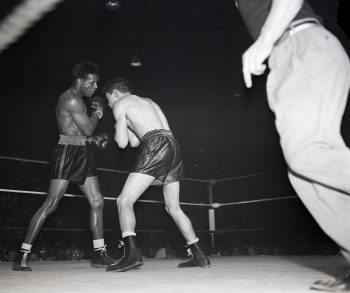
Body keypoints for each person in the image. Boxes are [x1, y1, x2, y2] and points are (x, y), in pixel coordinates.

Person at [235, 0, 350, 291]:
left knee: (308, 155)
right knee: (305, 176)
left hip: (300, 44)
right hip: (285, 56)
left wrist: (264, 41)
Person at [12, 61, 115, 271]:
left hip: (82, 152)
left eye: (96, 83)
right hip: (67, 153)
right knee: (51, 203)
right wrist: (97, 112)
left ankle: (98, 254)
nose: (95, 87)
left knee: (97, 201)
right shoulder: (71, 100)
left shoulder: (79, 100)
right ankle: (22, 254)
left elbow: (82, 134)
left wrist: (91, 128)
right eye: (92, 83)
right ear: (79, 80)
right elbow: (87, 130)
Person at [103, 77, 210, 272]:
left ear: (116, 93)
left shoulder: (120, 104)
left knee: (123, 201)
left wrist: (116, 126)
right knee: (173, 207)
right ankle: (199, 255)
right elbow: (136, 141)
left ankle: (132, 255)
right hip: (172, 145)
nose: (109, 103)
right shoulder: (149, 102)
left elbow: (122, 143)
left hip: (155, 146)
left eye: (108, 98)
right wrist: (126, 124)